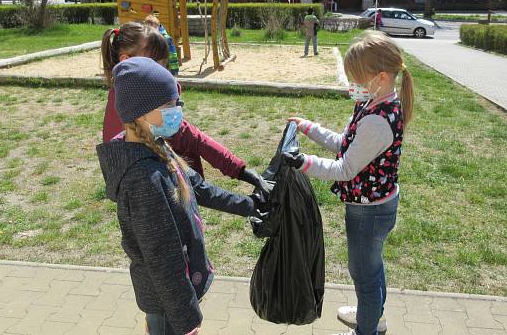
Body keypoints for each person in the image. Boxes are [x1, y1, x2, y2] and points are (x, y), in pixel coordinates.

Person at [96, 57, 267, 335]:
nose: (177, 110)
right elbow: (163, 259)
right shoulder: (144, 179)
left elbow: (198, 187)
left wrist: (249, 205)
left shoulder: (158, 146)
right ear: (140, 112)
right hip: (168, 304)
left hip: (174, 296)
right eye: (168, 105)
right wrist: (186, 318)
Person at [282, 31, 414, 335]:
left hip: (370, 212)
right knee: (371, 269)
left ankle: (365, 328)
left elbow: (345, 168)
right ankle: (372, 315)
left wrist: (304, 164)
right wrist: (309, 128)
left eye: (356, 78)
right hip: (374, 205)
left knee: (364, 275)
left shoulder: (378, 120)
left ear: (380, 77)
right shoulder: (371, 103)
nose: (351, 84)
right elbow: (345, 143)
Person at [100, 23, 272, 196]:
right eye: (154, 65)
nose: (162, 73)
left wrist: (241, 171)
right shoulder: (134, 123)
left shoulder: (150, 103)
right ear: (127, 61)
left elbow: (192, 139)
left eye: (163, 66)